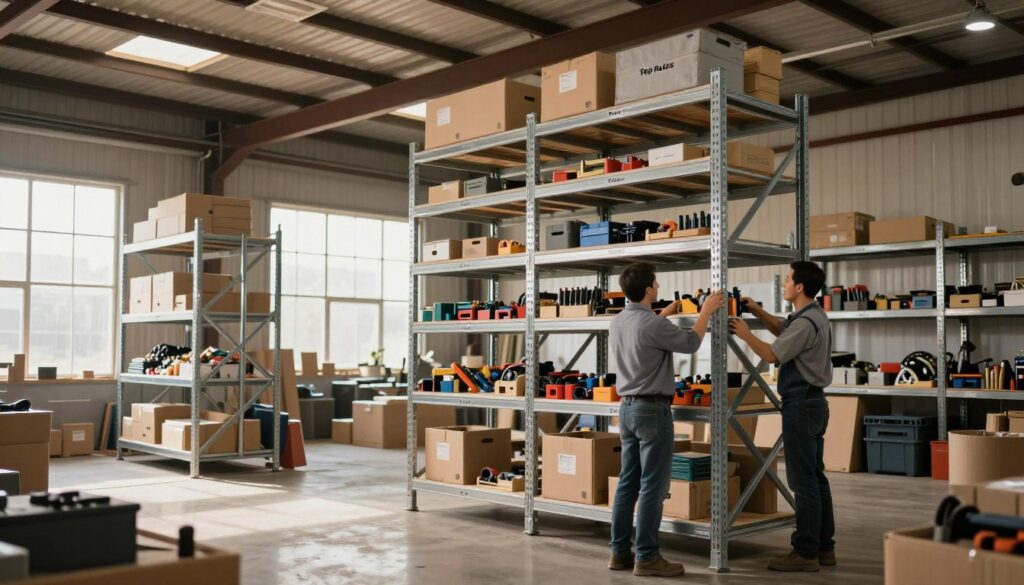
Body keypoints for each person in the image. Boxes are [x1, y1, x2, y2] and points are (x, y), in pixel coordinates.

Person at [608, 262, 723, 577]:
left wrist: (663, 314)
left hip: (627, 409)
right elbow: (690, 343)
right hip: (652, 412)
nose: (658, 289)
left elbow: (643, 334)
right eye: (655, 285)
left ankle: (619, 553)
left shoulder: (618, 322)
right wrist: (706, 312)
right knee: (652, 487)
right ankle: (646, 557)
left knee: (627, 483)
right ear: (647, 290)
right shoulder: (653, 325)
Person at [728, 260, 835, 573]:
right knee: (815, 478)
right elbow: (782, 329)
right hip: (813, 404)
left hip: (801, 405)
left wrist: (746, 333)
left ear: (799, 286)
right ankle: (824, 547)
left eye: (788, 280)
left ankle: (805, 553)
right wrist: (757, 311)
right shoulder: (812, 315)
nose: (785, 284)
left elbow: (773, 354)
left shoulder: (805, 323)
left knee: (803, 483)